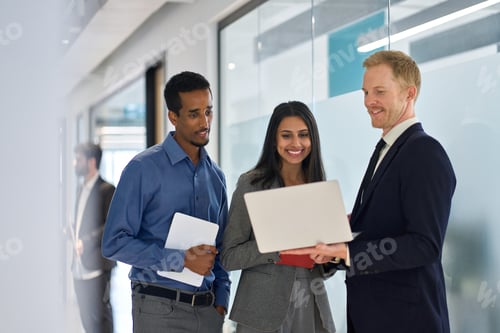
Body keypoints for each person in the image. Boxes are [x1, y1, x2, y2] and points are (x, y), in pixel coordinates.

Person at [284, 50, 456, 333]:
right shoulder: (387, 151)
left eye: (379, 92)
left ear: (409, 94)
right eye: (365, 92)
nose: (368, 102)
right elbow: (380, 226)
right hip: (375, 317)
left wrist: (349, 252)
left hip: (406, 321)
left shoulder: (424, 153)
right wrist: (335, 246)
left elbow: (425, 245)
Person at [101, 71, 230, 333]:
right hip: (159, 310)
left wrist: (222, 300)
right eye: (194, 114)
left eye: (209, 111)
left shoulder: (216, 177)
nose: (205, 121)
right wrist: (180, 260)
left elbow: (222, 247)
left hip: (208, 312)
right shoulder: (142, 169)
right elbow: (114, 243)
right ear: (173, 116)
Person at [221, 101, 336, 333]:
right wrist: (277, 249)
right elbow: (229, 256)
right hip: (262, 311)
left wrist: (331, 256)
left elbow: (326, 263)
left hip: (311, 302)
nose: (296, 143)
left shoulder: (318, 186)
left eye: (303, 135)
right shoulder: (251, 184)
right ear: (274, 140)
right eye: (286, 135)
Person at [71, 142, 116, 333]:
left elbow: (110, 226)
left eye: (78, 159)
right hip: (79, 265)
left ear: (91, 162)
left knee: (101, 316)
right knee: (86, 318)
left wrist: (86, 241)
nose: (74, 163)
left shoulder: (107, 189)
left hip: (98, 265)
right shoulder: (80, 189)